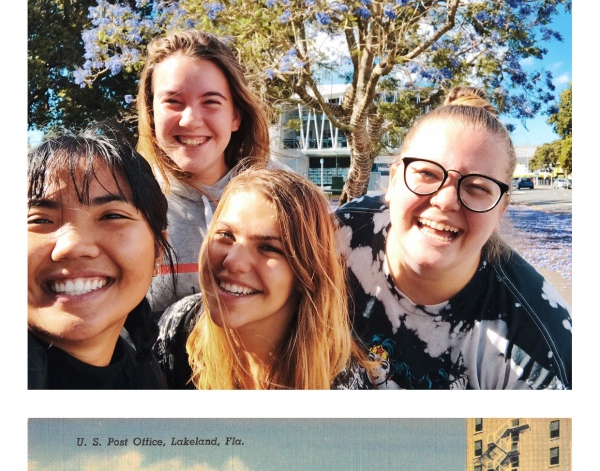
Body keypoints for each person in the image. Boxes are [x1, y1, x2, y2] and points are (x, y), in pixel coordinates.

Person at [336, 87, 572, 389]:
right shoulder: (340, 234)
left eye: (477, 186)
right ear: (394, 181)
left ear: (500, 210)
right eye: (427, 174)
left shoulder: (537, 349)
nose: (446, 201)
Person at [155, 167, 369, 389]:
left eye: (269, 248)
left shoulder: (339, 382)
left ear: (307, 272)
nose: (233, 261)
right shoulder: (178, 327)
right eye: (226, 235)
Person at [137, 29, 271, 313]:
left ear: (235, 116)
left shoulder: (282, 199)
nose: (191, 120)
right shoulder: (126, 204)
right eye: (173, 102)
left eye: (211, 102)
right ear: (151, 113)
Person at [28, 131, 174, 389]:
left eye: (111, 216)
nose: (72, 246)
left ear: (157, 252)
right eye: (40, 220)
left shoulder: (149, 378)